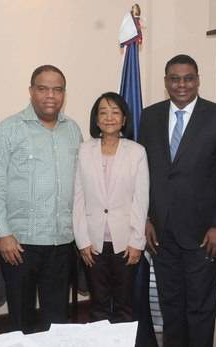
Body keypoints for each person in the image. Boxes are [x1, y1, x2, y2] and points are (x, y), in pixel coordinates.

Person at [138, 54, 216, 347]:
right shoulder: (150, 116)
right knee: (170, 306)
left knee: (200, 308)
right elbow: (142, 173)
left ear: (197, 80)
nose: (181, 84)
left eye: (188, 78)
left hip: (203, 235)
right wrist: (145, 218)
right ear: (166, 82)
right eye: (175, 78)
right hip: (161, 234)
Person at [0, 65, 82, 333]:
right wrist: (2, 233)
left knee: (58, 322)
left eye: (57, 89)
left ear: (64, 93)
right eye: (43, 88)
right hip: (19, 245)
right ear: (31, 91)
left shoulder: (73, 130)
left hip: (62, 243)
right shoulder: (8, 130)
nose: (50, 95)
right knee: (22, 323)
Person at [73, 92, 149, 322]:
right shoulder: (84, 150)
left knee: (125, 306)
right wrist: (82, 240)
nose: (109, 117)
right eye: (103, 112)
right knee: (98, 306)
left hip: (125, 243)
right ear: (96, 120)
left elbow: (141, 199)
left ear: (124, 119)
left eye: (115, 112)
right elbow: (78, 197)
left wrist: (137, 241)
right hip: (93, 243)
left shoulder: (136, 151)